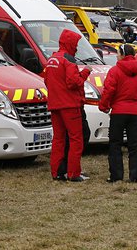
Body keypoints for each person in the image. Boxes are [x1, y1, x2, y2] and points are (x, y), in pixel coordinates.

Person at [99, 43, 137, 183]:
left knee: (115, 143)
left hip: (118, 111)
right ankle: (135, 176)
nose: (116, 55)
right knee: (134, 146)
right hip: (134, 112)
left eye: (117, 53)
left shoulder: (115, 71)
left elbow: (109, 90)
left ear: (122, 54)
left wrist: (104, 106)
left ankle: (116, 175)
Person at [45, 29, 91, 182]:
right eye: (76, 44)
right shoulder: (68, 59)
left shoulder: (52, 59)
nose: (77, 47)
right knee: (76, 139)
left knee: (58, 139)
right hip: (70, 106)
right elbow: (73, 82)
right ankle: (73, 173)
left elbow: (47, 81)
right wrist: (85, 72)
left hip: (55, 105)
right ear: (70, 43)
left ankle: (57, 172)